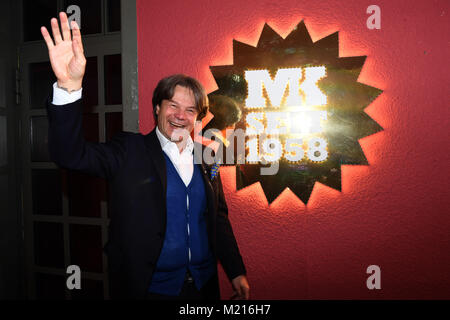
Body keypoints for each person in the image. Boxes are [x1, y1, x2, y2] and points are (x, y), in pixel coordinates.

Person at [41, 12, 249, 300]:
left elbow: (218, 219)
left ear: (197, 117)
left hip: (203, 287)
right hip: (149, 290)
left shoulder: (207, 157)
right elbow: (70, 155)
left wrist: (236, 271)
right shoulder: (129, 151)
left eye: (190, 110)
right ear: (156, 109)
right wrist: (69, 86)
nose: (180, 116)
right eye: (172, 105)